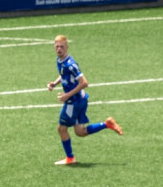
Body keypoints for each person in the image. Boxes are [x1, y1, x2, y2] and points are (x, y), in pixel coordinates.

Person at [47, 35, 123, 165]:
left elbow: (84, 83)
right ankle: (107, 124)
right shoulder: (60, 61)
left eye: (62, 47)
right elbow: (63, 74)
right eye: (57, 46)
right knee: (80, 132)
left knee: (62, 129)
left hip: (73, 102)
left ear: (67, 47)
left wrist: (67, 95)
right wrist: (54, 83)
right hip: (80, 100)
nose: (59, 49)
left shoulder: (71, 65)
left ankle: (70, 158)